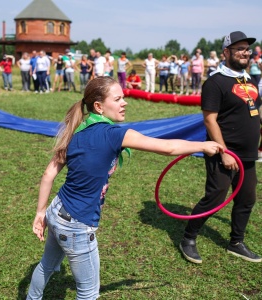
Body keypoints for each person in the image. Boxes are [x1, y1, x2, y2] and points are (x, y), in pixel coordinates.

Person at [26, 76, 223, 300]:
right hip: (77, 225)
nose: (124, 102)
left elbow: (48, 174)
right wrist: (203, 145)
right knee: (88, 293)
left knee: (47, 266)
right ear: (99, 106)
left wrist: (40, 212)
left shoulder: (76, 130)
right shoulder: (114, 134)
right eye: (118, 98)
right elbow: (167, 148)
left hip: (56, 211)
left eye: (124, 98)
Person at [179, 31, 262, 264]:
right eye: (239, 49)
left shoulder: (250, 81)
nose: (245, 53)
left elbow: (257, 110)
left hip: (248, 154)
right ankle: (188, 238)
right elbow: (210, 120)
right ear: (226, 52)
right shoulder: (215, 82)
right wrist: (224, 153)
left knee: (247, 198)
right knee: (215, 197)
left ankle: (236, 242)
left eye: (247, 49)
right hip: (223, 152)